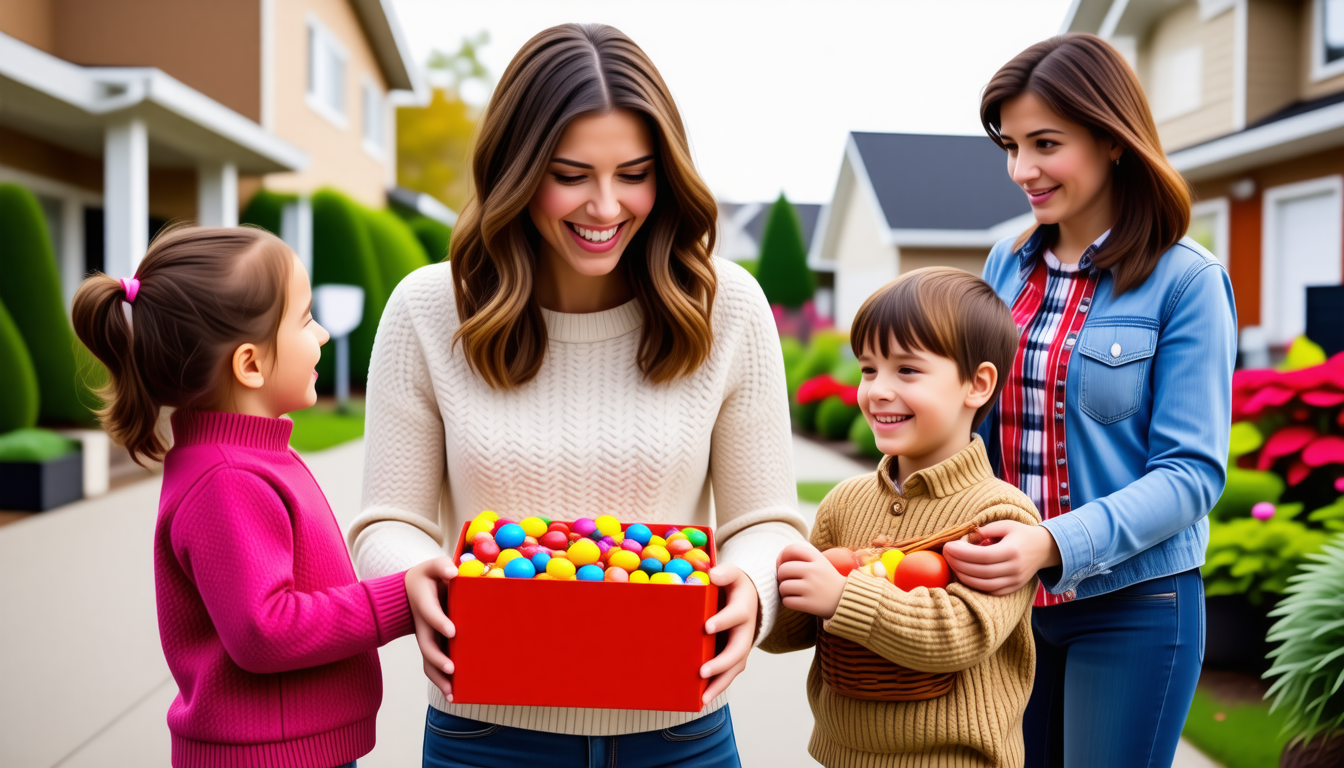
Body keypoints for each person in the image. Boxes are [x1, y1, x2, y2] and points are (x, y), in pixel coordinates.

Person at [344, 23, 808, 768]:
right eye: (569, 173)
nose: (604, 206)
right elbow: (386, 519)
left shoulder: (730, 308)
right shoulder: (430, 309)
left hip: (679, 735)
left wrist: (751, 588)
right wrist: (413, 578)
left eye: (634, 172)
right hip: (486, 735)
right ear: (515, 170)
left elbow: (767, 521)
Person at [940, 33, 1238, 768]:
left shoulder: (1186, 282)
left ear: (1111, 139)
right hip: (1010, 608)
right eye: (1010, 146)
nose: (1022, 170)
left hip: (1137, 609)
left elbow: (1192, 474)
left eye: (1045, 143)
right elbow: (975, 427)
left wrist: (1051, 544)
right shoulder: (1004, 265)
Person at [70, 226, 451, 768]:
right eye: (303, 320)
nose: (320, 335)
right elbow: (263, 631)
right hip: (268, 758)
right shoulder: (228, 480)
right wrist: (397, 598)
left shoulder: (253, 459)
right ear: (249, 364)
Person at [762, 267, 1041, 768]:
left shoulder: (1000, 514)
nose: (877, 391)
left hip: (951, 761)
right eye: (869, 369)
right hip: (843, 756)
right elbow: (794, 632)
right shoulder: (845, 502)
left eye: (906, 370)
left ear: (976, 385)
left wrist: (842, 595)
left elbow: (962, 633)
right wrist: (769, 589)